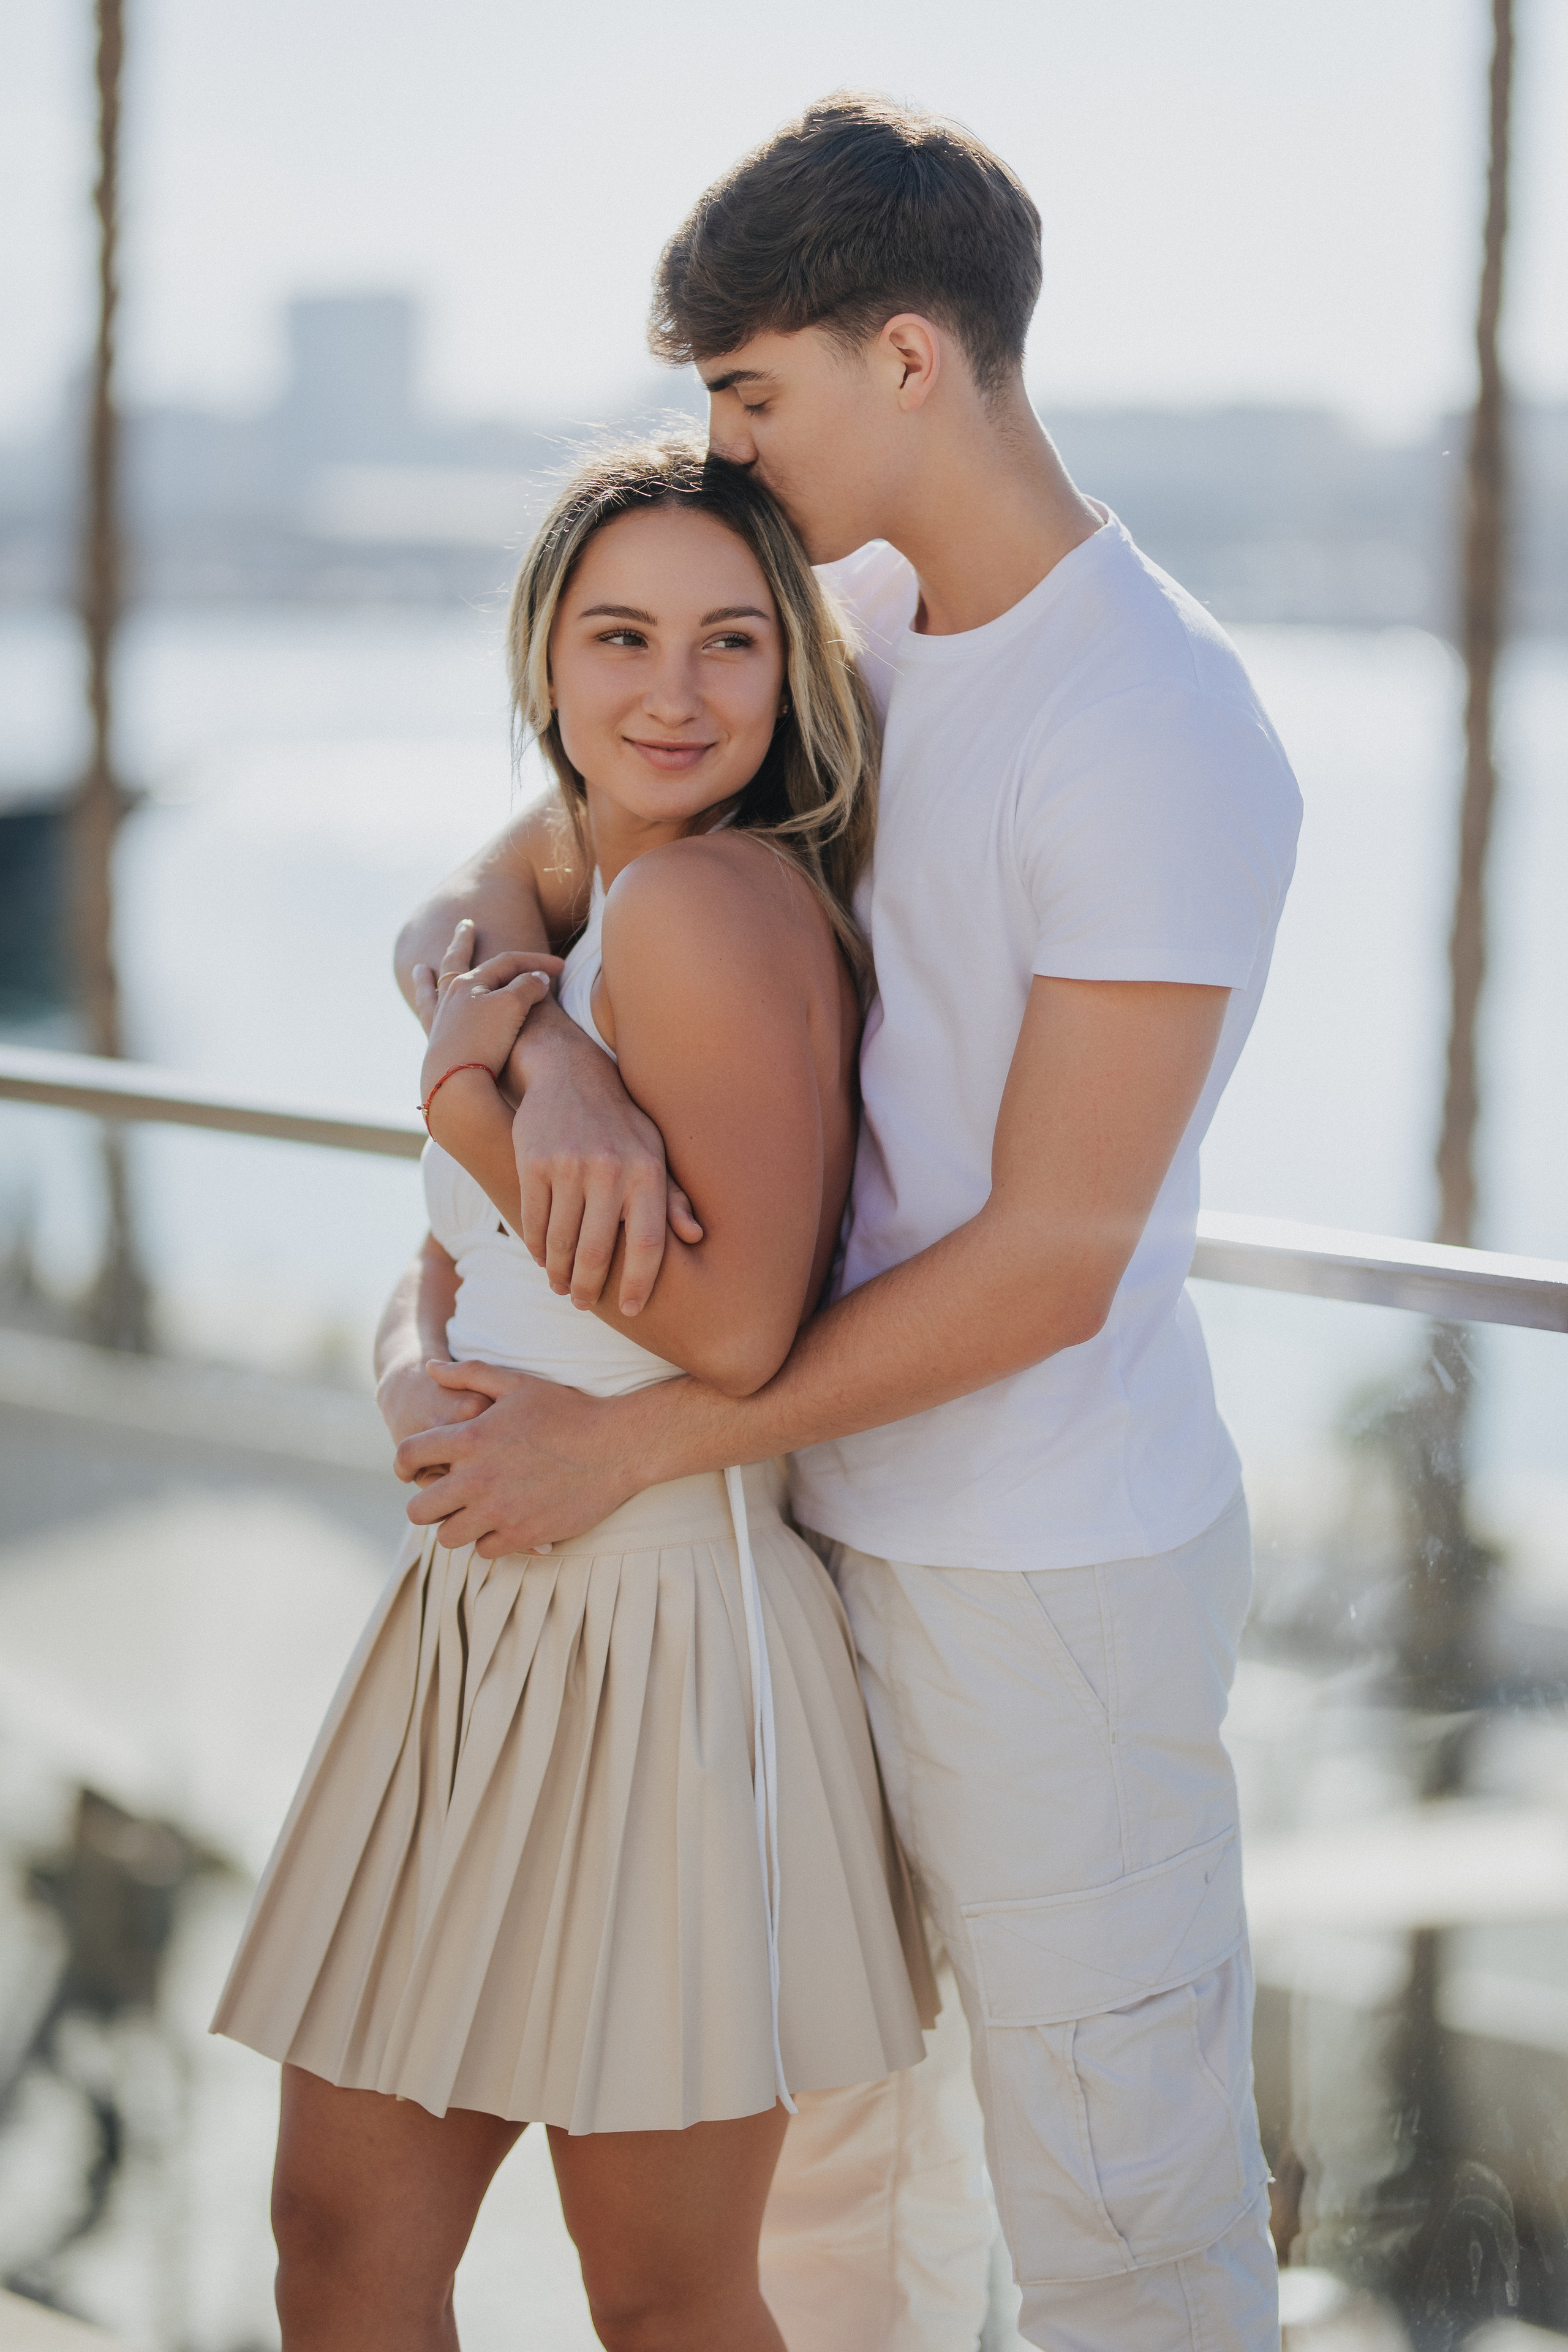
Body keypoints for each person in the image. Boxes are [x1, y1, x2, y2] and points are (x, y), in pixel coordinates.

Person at [393, 94, 1304, 2352]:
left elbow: (1059, 1254)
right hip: (800, 1544)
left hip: (1044, 1577)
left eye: (749, 392)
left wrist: (628, 1445)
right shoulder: (853, 626)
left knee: (1121, 2217)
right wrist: (541, 1050)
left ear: (908, 358)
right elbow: (516, 868)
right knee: (818, 2210)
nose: (722, 446)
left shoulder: (1154, 722)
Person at [211, 437, 943, 2352]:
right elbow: (457, 1267)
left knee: (663, 2302)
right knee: (339, 2241)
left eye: (729, 641)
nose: (673, 692)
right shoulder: (570, 888)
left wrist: (476, 1091)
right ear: (544, 659)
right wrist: (418, 1369)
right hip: (476, 1630)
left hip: (667, 1650)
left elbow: (738, 1332)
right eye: (621, 637)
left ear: (791, 670)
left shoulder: (706, 903)